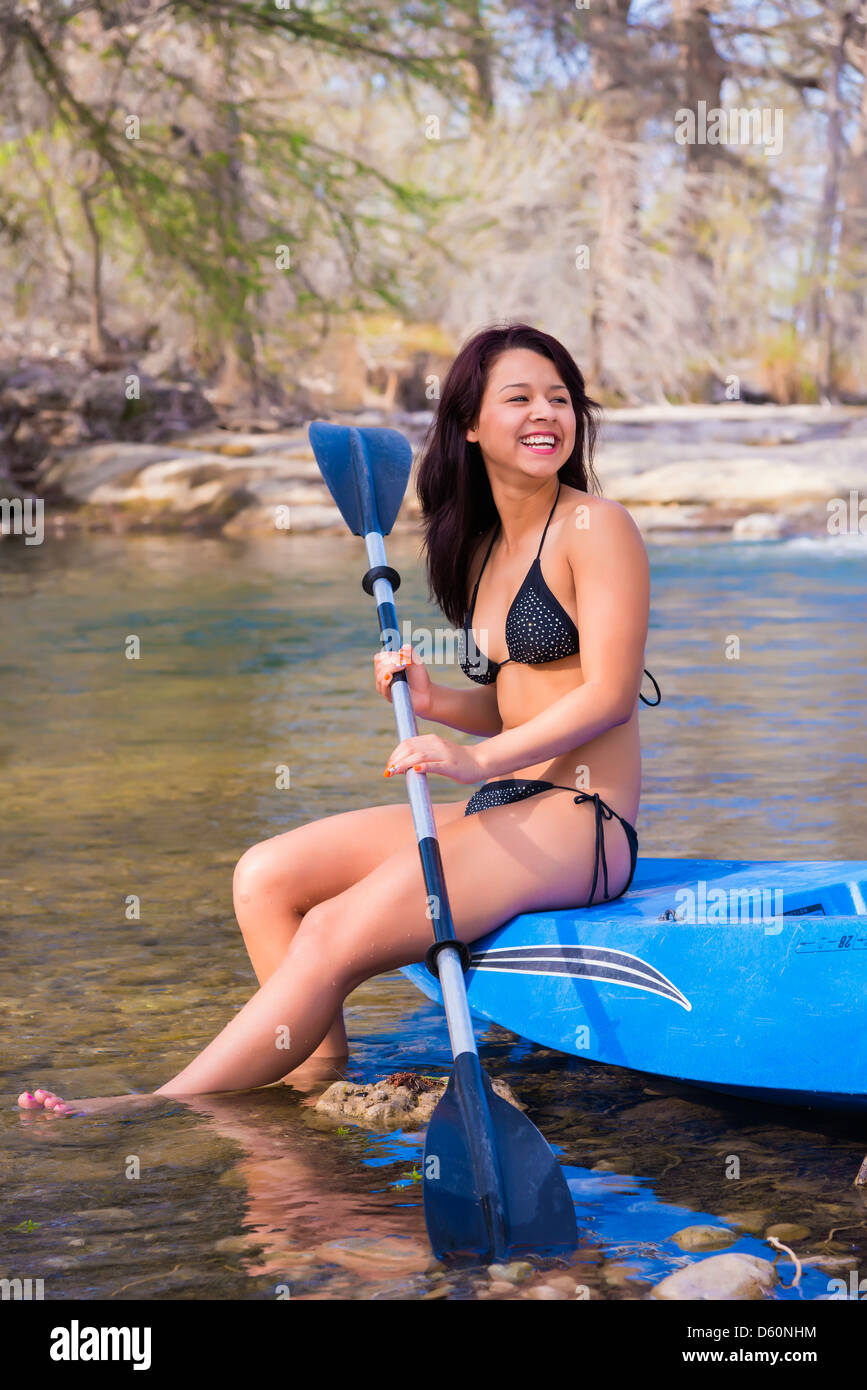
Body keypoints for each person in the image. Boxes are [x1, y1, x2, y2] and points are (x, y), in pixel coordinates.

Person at [19, 322, 660, 1118]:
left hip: (579, 823)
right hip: (505, 806)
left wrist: (471, 759)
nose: (546, 414)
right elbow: (520, 696)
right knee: (265, 877)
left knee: (331, 931)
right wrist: (433, 701)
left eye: (559, 398)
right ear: (467, 423)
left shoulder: (597, 527)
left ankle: (158, 1107)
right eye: (520, 397)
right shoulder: (486, 546)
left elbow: (605, 695)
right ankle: (314, 1072)